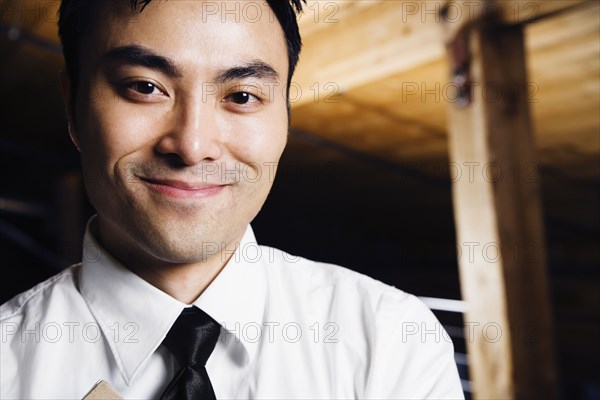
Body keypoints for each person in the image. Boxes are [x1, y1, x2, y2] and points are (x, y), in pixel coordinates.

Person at [0, 1, 464, 398]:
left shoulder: (392, 342)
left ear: (285, 116)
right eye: (144, 87)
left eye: (242, 95)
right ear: (73, 109)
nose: (192, 144)